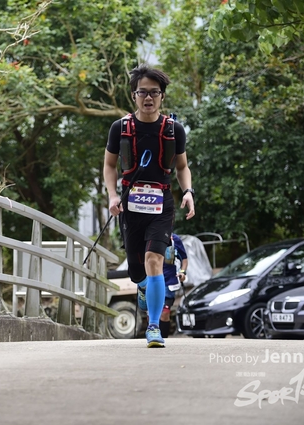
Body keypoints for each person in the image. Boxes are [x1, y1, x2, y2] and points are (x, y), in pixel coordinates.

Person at [104, 64, 195, 348]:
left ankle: (153, 326)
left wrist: (188, 191)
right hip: (130, 205)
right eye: (142, 92)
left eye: (154, 92)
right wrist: (112, 196)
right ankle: (143, 286)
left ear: (162, 96)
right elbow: (109, 165)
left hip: (161, 204)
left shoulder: (174, 130)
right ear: (134, 95)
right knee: (137, 270)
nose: (148, 98)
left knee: (154, 259)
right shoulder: (120, 128)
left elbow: (182, 167)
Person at [160, 233, 188, 338]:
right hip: (152, 280)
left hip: (169, 282)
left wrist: (182, 272)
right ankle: (153, 337)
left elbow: (184, 259)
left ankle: (163, 339)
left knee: (165, 313)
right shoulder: (150, 236)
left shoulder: (175, 239)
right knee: (152, 314)